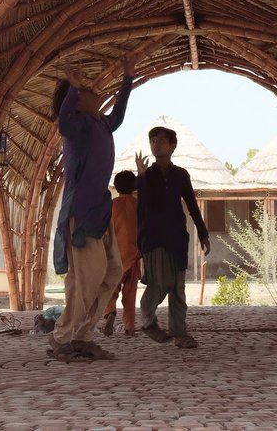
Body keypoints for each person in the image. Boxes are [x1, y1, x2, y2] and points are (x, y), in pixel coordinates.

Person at [48, 58, 133, 362]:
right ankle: (62, 337)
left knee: (112, 272)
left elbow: (119, 115)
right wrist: (72, 87)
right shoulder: (77, 127)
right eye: (89, 91)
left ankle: (83, 336)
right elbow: (64, 119)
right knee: (86, 278)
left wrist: (128, 80)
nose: (97, 92)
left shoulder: (100, 123)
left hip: (100, 211)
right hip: (81, 215)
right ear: (78, 101)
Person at [134, 125, 210, 348]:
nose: (156, 144)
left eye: (162, 141)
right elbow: (143, 206)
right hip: (153, 238)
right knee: (159, 283)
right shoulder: (147, 175)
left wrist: (203, 233)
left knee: (178, 288)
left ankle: (180, 333)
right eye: (153, 141)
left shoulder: (180, 175)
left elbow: (192, 206)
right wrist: (141, 176)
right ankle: (148, 320)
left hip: (177, 237)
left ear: (173, 145)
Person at [101, 170, 140, 337]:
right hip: (134, 255)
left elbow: (104, 230)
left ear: (116, 187)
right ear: (134, 187)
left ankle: (109, 312)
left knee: (110, 289)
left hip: (115, 256)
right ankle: (129, 326)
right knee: (130, 294)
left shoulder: (111, 205)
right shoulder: (139, 205)